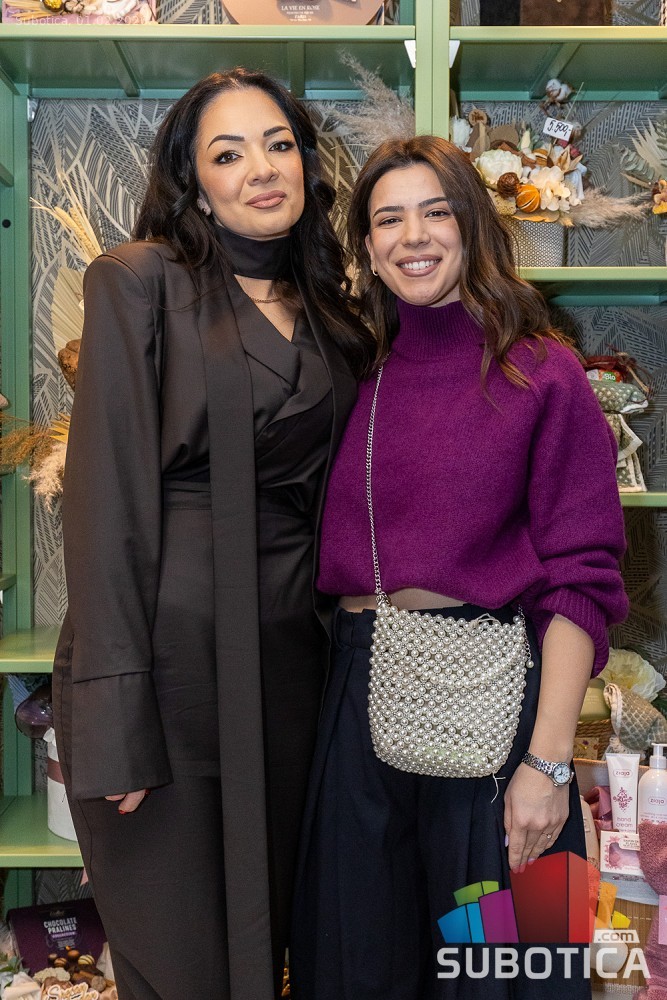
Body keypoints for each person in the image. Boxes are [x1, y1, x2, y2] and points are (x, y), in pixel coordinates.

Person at [52, 68, 373, 1000]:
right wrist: (115, 722)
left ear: (307, 164)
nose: (260, 169)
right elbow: (103, 502)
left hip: (293, 670)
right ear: (193, 182)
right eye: (227, 154)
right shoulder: (140, 282)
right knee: (182, 957)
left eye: (278, 145)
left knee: (268, 944)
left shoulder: (335, 313)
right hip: (169, 668)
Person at [290, 135, 629, 999]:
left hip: (502, 706)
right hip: (357, 700)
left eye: (435, 212)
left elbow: (580, 582)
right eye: (387, 219)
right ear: (366, 247)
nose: (413, 237)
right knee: (356, 964)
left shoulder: (543, 372)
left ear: (472, 225)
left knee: (509, 971)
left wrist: (547, 767)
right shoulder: (350, 372)